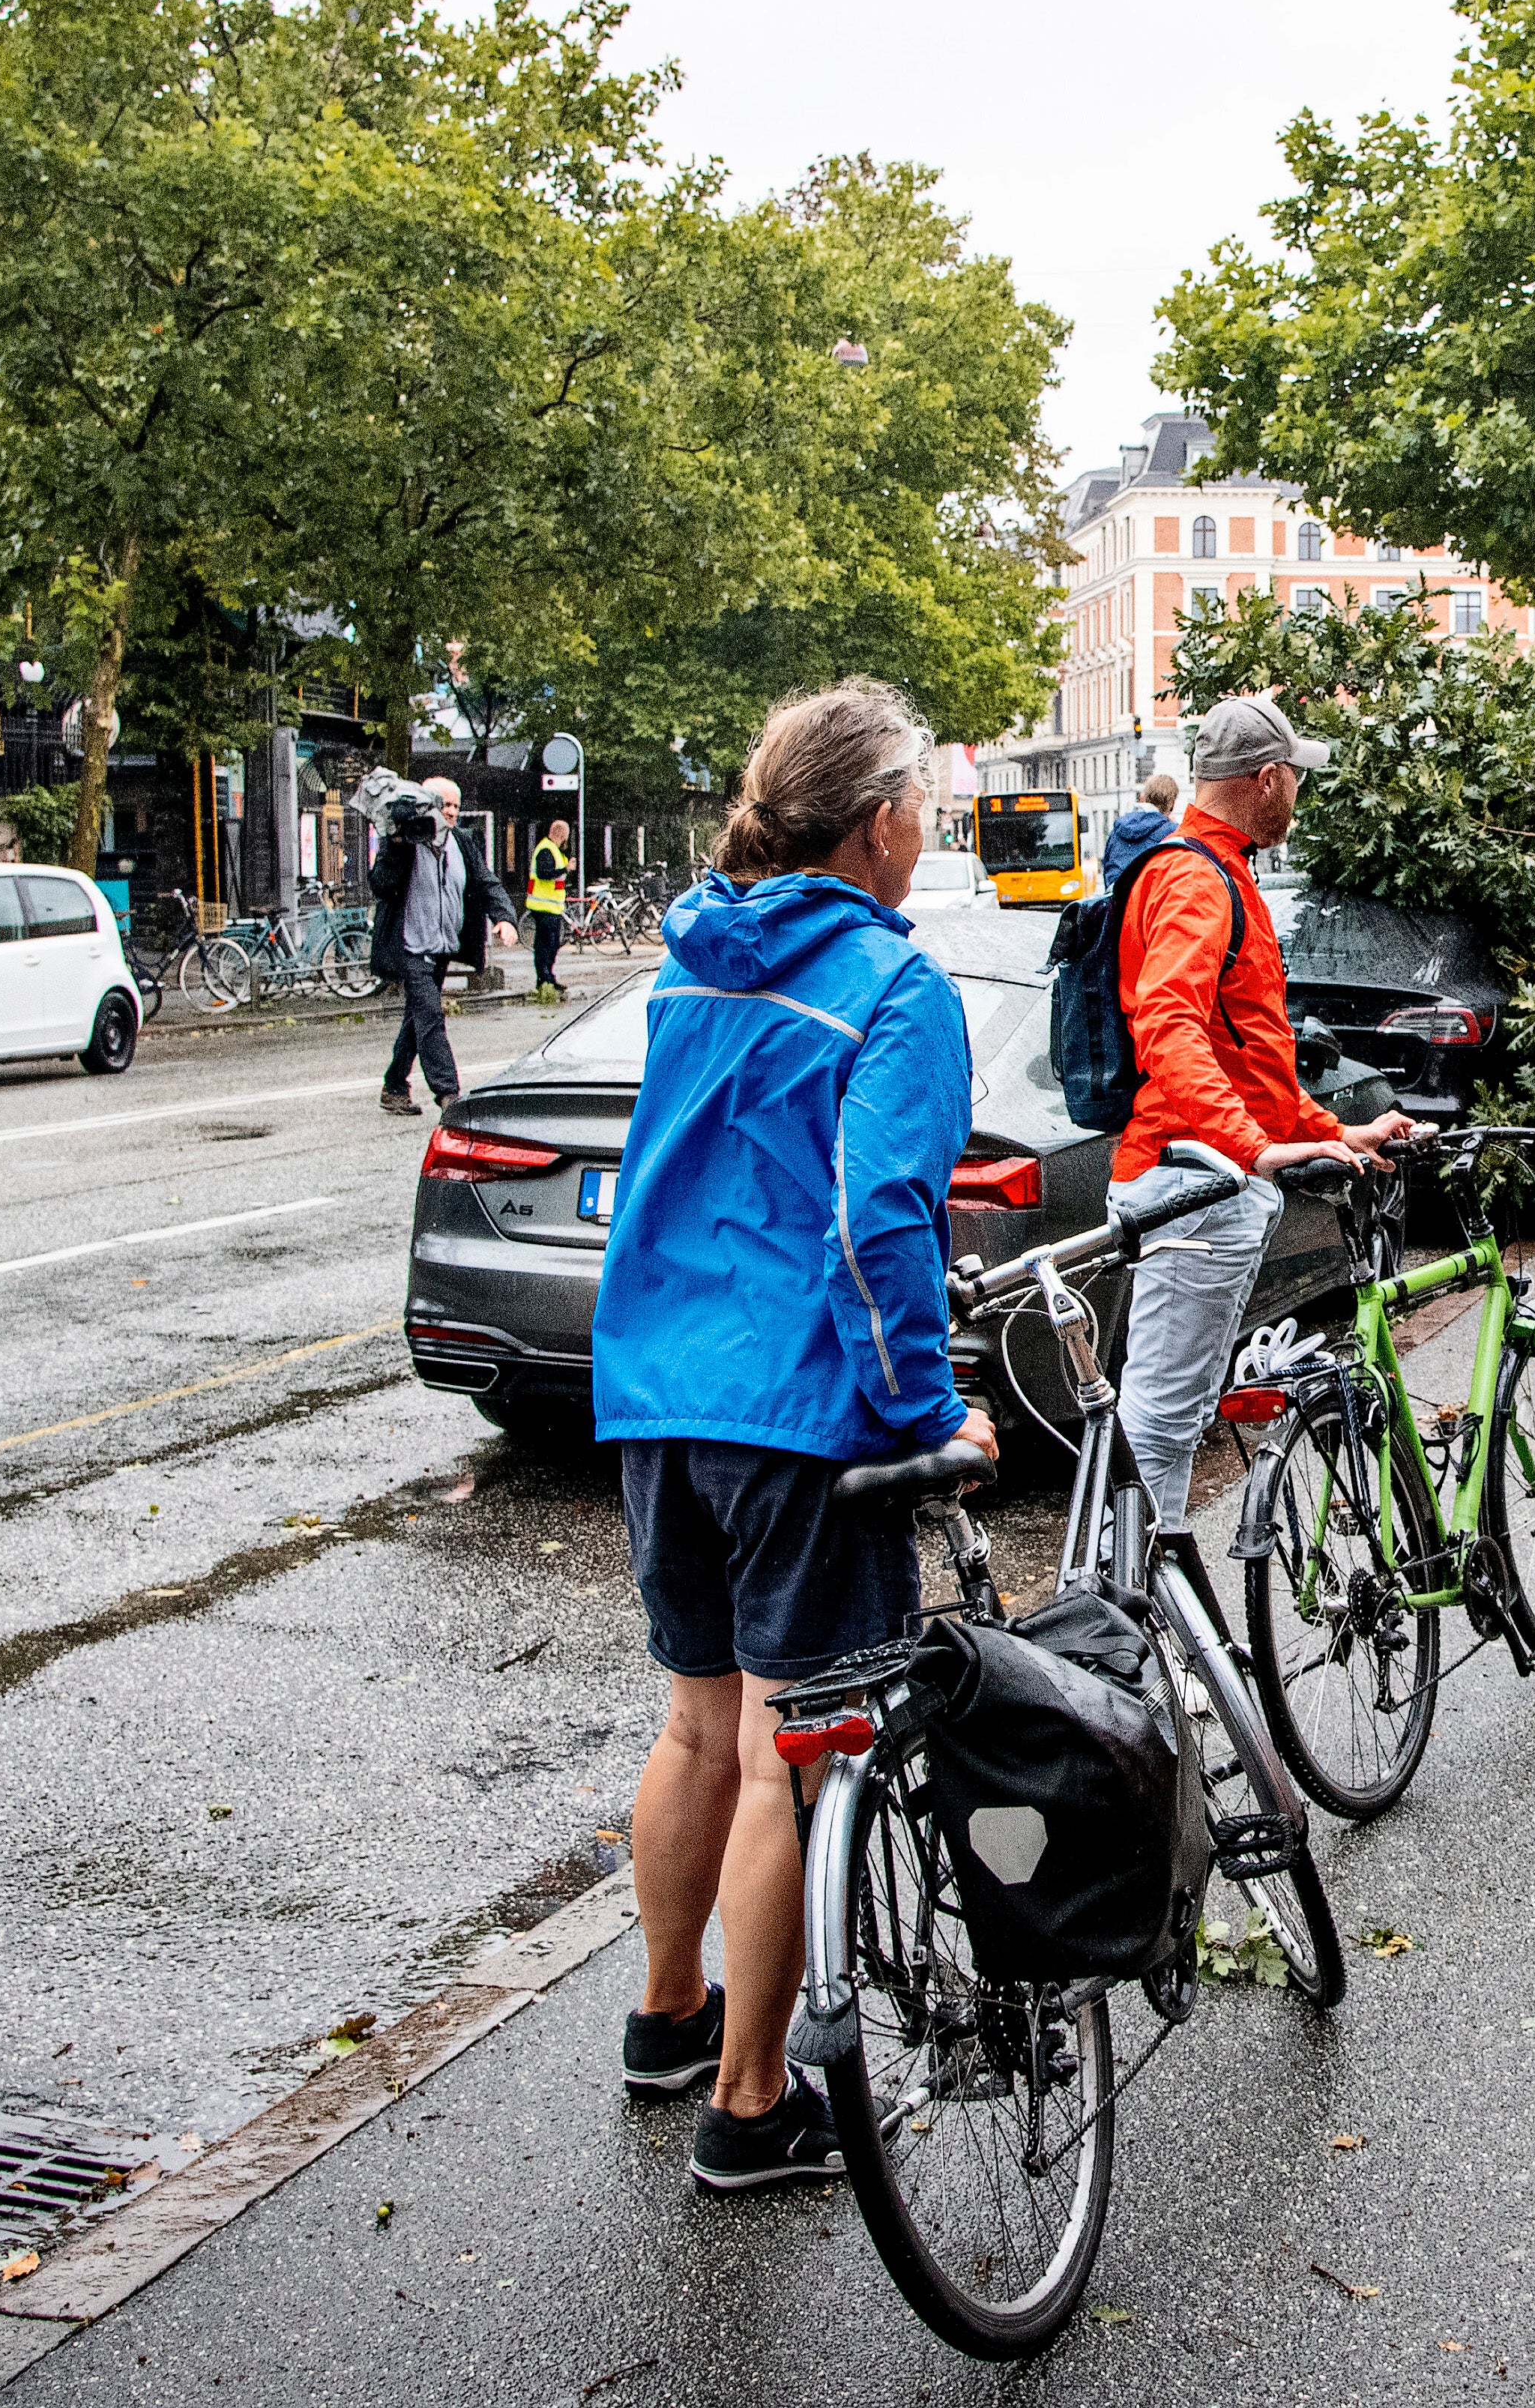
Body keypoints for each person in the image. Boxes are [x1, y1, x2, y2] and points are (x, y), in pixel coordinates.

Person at [589, 678, 995, 2192]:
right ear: (884, 823)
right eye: (925, 814)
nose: (926, 838)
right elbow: (875, 1215)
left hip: (654, 1391)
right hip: (797, 1416)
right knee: (788, 1756)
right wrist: (921, 1411)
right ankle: (752, 2108)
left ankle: (668, 2014)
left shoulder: (693, 963)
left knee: (697, 1722)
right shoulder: (895, 990)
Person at [1108, 695, 1417, 1509]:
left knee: (1169, 1416)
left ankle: (1137, 1602)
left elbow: (1250, 1060)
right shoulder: (1197, 879)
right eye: (1295, 782)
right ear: (1269, 779)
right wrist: (1249, 1148)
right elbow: (1168, 1027)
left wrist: (1332, 1129)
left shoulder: (1214, 870)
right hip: (1192, 1179)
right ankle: (1124, 1617)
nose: (1298, 798)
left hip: (1197, 1171)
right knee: (1164, 1421)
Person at [367, 775, 516, 1117]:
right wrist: (398, 845)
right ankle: (448, 1093)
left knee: (417, 1017)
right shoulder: (406, 843)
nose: (450, 811)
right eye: (443, 804)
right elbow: (381, 885)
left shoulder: (462, 841)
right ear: (424, 804)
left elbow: (486, 882)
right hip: (411, 946)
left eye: (455, 806)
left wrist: (504, 917)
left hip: (442, 946)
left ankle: (394, 1087)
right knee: (431, 1015)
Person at [525, 817, 572, 998]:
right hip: (543, 906)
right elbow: (545, 875)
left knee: (552, 944)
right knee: (545, 945)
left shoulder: (553, 850)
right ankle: (544, 980)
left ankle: (548, 977)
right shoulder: (547, 850)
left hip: (552, 908)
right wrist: (565, 869)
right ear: (562, 835)